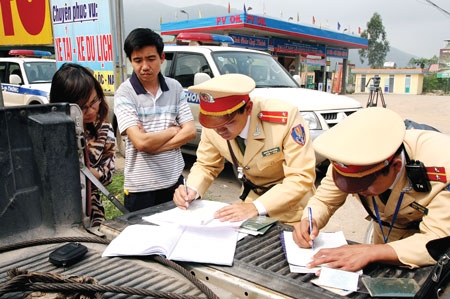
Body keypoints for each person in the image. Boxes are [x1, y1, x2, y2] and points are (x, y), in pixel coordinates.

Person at [292, 107, 450, 272]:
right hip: (385, 239)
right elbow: (324, 200)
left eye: (364, 186)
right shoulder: (348, 159)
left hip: (427, 252)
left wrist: (371, 252)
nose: (359, 192)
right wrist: (310, 220)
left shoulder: (443, 165)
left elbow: (436, 241)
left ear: (395, 166)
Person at [173, 74, 316, 225]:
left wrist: (256, 207)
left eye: (227, 123)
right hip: (250, 205)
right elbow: (206, 165)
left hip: (292, 210)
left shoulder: (283, 120)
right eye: (215, 126)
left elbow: (300, 177)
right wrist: (192, 190)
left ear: (248, 109)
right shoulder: (214, 125)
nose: (220, 131)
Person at [114, 28, 196, 212]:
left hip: (175, 183)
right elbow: (141, 142)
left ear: (162, 57)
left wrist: (153, 145)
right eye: (137, 60)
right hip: (140, 189)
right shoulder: (125, 93)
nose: (144, 66)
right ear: (131, 62)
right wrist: (172, 131)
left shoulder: (174, 88)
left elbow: (190, 131)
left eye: (151, 59)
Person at [50, 63, 116, 227]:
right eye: (82, 107)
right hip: (55, 215)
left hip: (92, 215)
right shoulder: (48, 131)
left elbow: (108, 176)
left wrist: (82, 169)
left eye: (94, 101)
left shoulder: (104, 130)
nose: (91, 110)